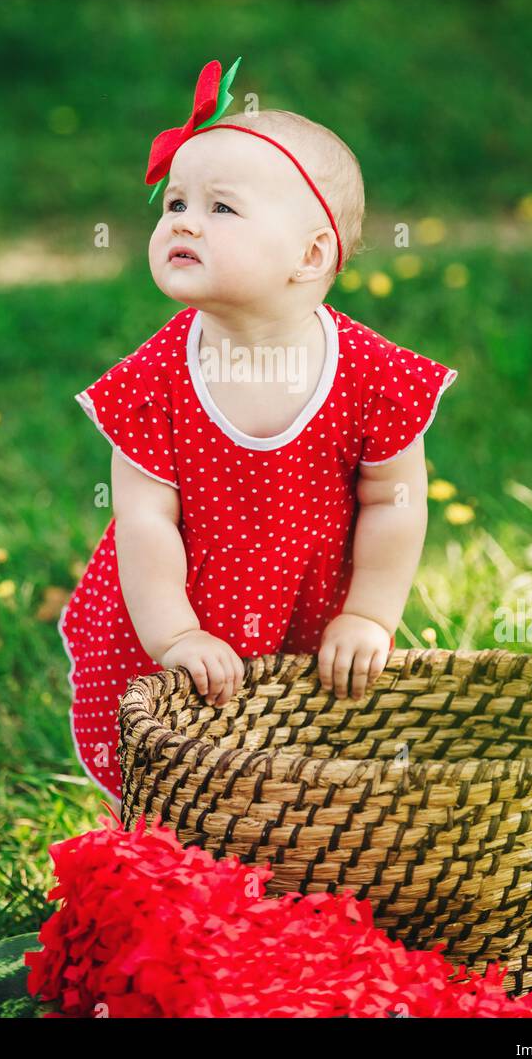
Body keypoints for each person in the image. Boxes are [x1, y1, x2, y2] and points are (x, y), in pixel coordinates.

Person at [59, 58, 458, 807]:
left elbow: (395, 501)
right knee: (168, 773)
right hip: (170, 610)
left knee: (296, 777)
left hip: (310, 614)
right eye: (175, 200)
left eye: (221, 208)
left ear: (311, 255)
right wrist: (176, 636)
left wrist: (370, 613)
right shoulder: (156, 379)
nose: (181, 219)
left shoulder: (372, 377)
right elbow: (144, 519)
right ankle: (157, 862)